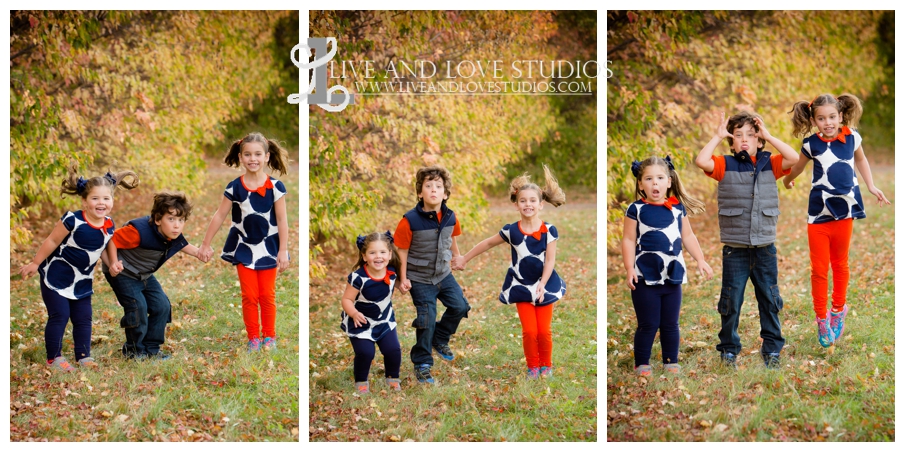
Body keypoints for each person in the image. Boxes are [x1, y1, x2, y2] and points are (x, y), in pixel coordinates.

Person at [783, 93, 890, 347]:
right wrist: (787, 180)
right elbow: (797, 168)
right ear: (814, 120)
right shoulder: (811, 144)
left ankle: (838, 310)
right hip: (818, 214)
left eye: (832, 117)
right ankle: (821, 318)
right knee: (819, 269)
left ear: (841, 116)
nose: (828, 122)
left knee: (840, 263)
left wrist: (872, 186)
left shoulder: (852, 138)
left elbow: (861, 160)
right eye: (821, 118)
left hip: (845, 212)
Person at [695, 111, 798, 369]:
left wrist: (769, 136)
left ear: (759, 141)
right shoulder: (724, 164)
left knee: (769, 299)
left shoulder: (769, 163)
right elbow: (701, 160)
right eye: (738, 135)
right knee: (731, 302)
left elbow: (794, 158)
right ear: (731, 142)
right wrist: (717, 136)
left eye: (751, 136)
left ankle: (772, 349)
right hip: (736, 249)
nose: (744, 140)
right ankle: (729, 350)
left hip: (765, 248)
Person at [17, 163, 138, 372]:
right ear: (84, 201)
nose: (101, 203)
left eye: (106, 198)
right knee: (60, 315)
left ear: (112, 201)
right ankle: (54, 358)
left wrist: (113, 263)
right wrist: (35, 263)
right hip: (55, 276)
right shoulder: (73, 220)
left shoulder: (109, 223)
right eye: (95, 198)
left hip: (81, 281)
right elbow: (52, 241)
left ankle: (84, 357)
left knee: (83, 318)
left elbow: (107, 245)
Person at [456, 165, 567, 379]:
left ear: (541, 204)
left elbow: (550, 260)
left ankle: (546, 366)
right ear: (516, 205)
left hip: (545, 284)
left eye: (532, 201)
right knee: (529, 331)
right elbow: (488, 243)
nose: (528, 204)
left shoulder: (549, 230)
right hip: (521, 285)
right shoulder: (511, 230)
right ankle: (533, 367)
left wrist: (543, 284)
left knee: (544, 331)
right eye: (523, 201)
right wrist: (464, 258)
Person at [621, 156, 713, 376]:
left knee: (670, 323)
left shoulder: (677, 208)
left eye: (660, 178)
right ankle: (642, 363)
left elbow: (688, 236)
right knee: (648, 323)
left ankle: (671, 361)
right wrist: (629, 268)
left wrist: (700, 259)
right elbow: (628, 240)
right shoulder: (636, 209)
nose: (655, 183)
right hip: (645, 275)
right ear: (640, 184)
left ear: (669, 181)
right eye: (649, 179)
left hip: (672, 274)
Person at [199, 133, 291, 351]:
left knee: (267, 295)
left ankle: (269, 337)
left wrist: (284, 250)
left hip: (269, 247)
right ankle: (253, 338)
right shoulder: (234, 187)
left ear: (267, 157)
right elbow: (220, 215)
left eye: (258, 154)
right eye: (248, 154)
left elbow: (282, 219)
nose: (253, 159)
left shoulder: (276, 187)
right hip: (243, 248)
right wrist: (205, 244)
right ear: (240, 157)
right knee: (249, 295)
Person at [102, 191, 203, 359]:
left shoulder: (172, 234)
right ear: (157, 219)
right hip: (122, 272)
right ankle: (134, 351)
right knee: (138, 307)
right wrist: (113, 262)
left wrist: (200, 253)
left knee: (162, 305)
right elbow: (112, 239)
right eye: (171, 219)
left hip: (144, 274)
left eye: (181, 220)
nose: (177, 225)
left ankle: (151, 349)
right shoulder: (137, 232)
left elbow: (182, 245)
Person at [394, 166, 470, 384]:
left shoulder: (451, 217)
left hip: (443, 274)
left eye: (438, 186)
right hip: (419, 278)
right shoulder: (409, 221)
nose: (434, 190)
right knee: (426, 319)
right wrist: (404, 277)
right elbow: (402, 251)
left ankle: (440, 338)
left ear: (445, 193)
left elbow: (452, 237)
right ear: (420, 192)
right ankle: (422, 363)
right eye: (428, 186)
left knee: (460, 306)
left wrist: (457, 256)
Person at [340, 231, 403, 393]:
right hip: (361, 322)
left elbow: (394, 283)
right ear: (364, 256)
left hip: (384, 320)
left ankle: (393, 378)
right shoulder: (358, 278)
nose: (378, 257)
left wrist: (401, 286)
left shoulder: (392, 272)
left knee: (393, 350)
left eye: (382, 252)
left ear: (389, 254)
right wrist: (353, 313)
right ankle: (361, 382)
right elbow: (346, 300)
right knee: (365, 353)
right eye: (372, 253)